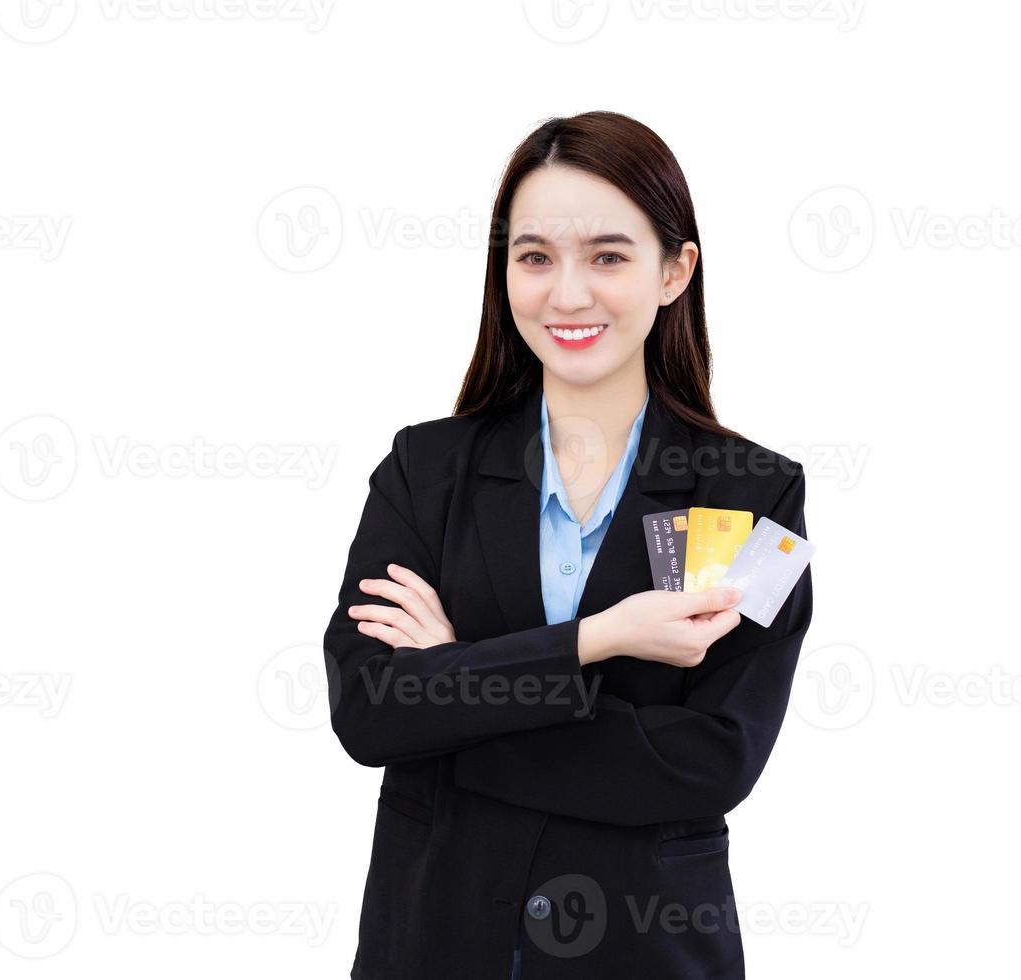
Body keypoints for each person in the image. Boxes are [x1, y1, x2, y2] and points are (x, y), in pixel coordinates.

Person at [323, 111, 815, 979]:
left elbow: (709, 764)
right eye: (536, 257)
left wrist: (460, 684)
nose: (568, 294)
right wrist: (600, 640)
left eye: (610, 257)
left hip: (647, 952)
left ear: (675, 270)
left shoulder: (753, 497)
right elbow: (370, 714)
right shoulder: (424, 470)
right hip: (437, 944)